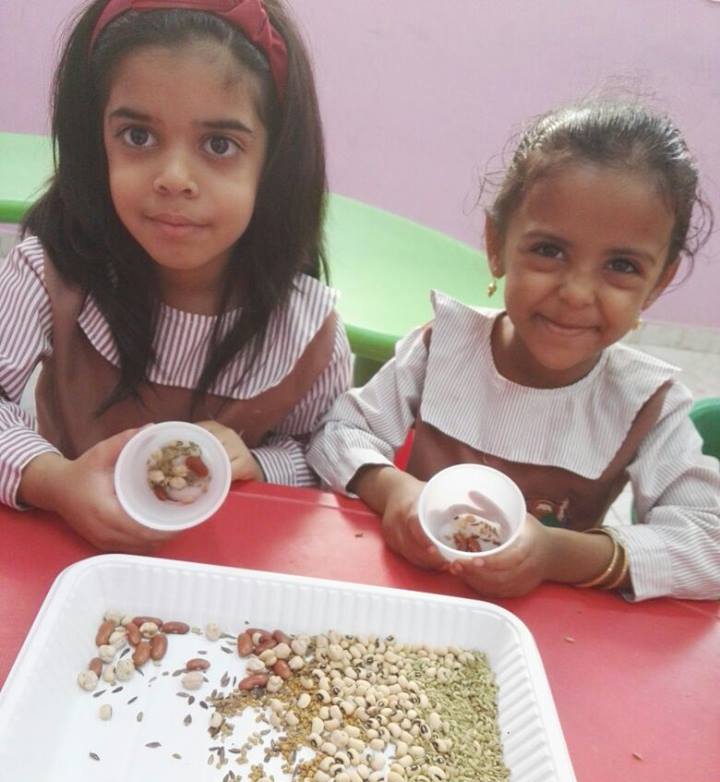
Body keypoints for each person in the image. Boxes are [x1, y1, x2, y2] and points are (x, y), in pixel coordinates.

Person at [308, 99, 720, 602]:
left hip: (542, 626)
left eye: (622, 266)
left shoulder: (646, 404)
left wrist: (556, 554)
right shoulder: (444, 347)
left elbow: (710, 544)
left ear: (658, 282)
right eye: (549, 250)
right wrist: (393, 491)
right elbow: (337, 434)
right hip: (406, 599)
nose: (576, 293)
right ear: (496, 243)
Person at [0, 0, 352, 550]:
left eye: (219, 145)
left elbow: (323, 452)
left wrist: (258, 462)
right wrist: (55, 481)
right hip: (60, 557)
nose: (174, 178)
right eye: (138, 136)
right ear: (96, 143)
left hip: (224, 577)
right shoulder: (48, 275)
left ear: (274, 164)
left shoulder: (307, 332)